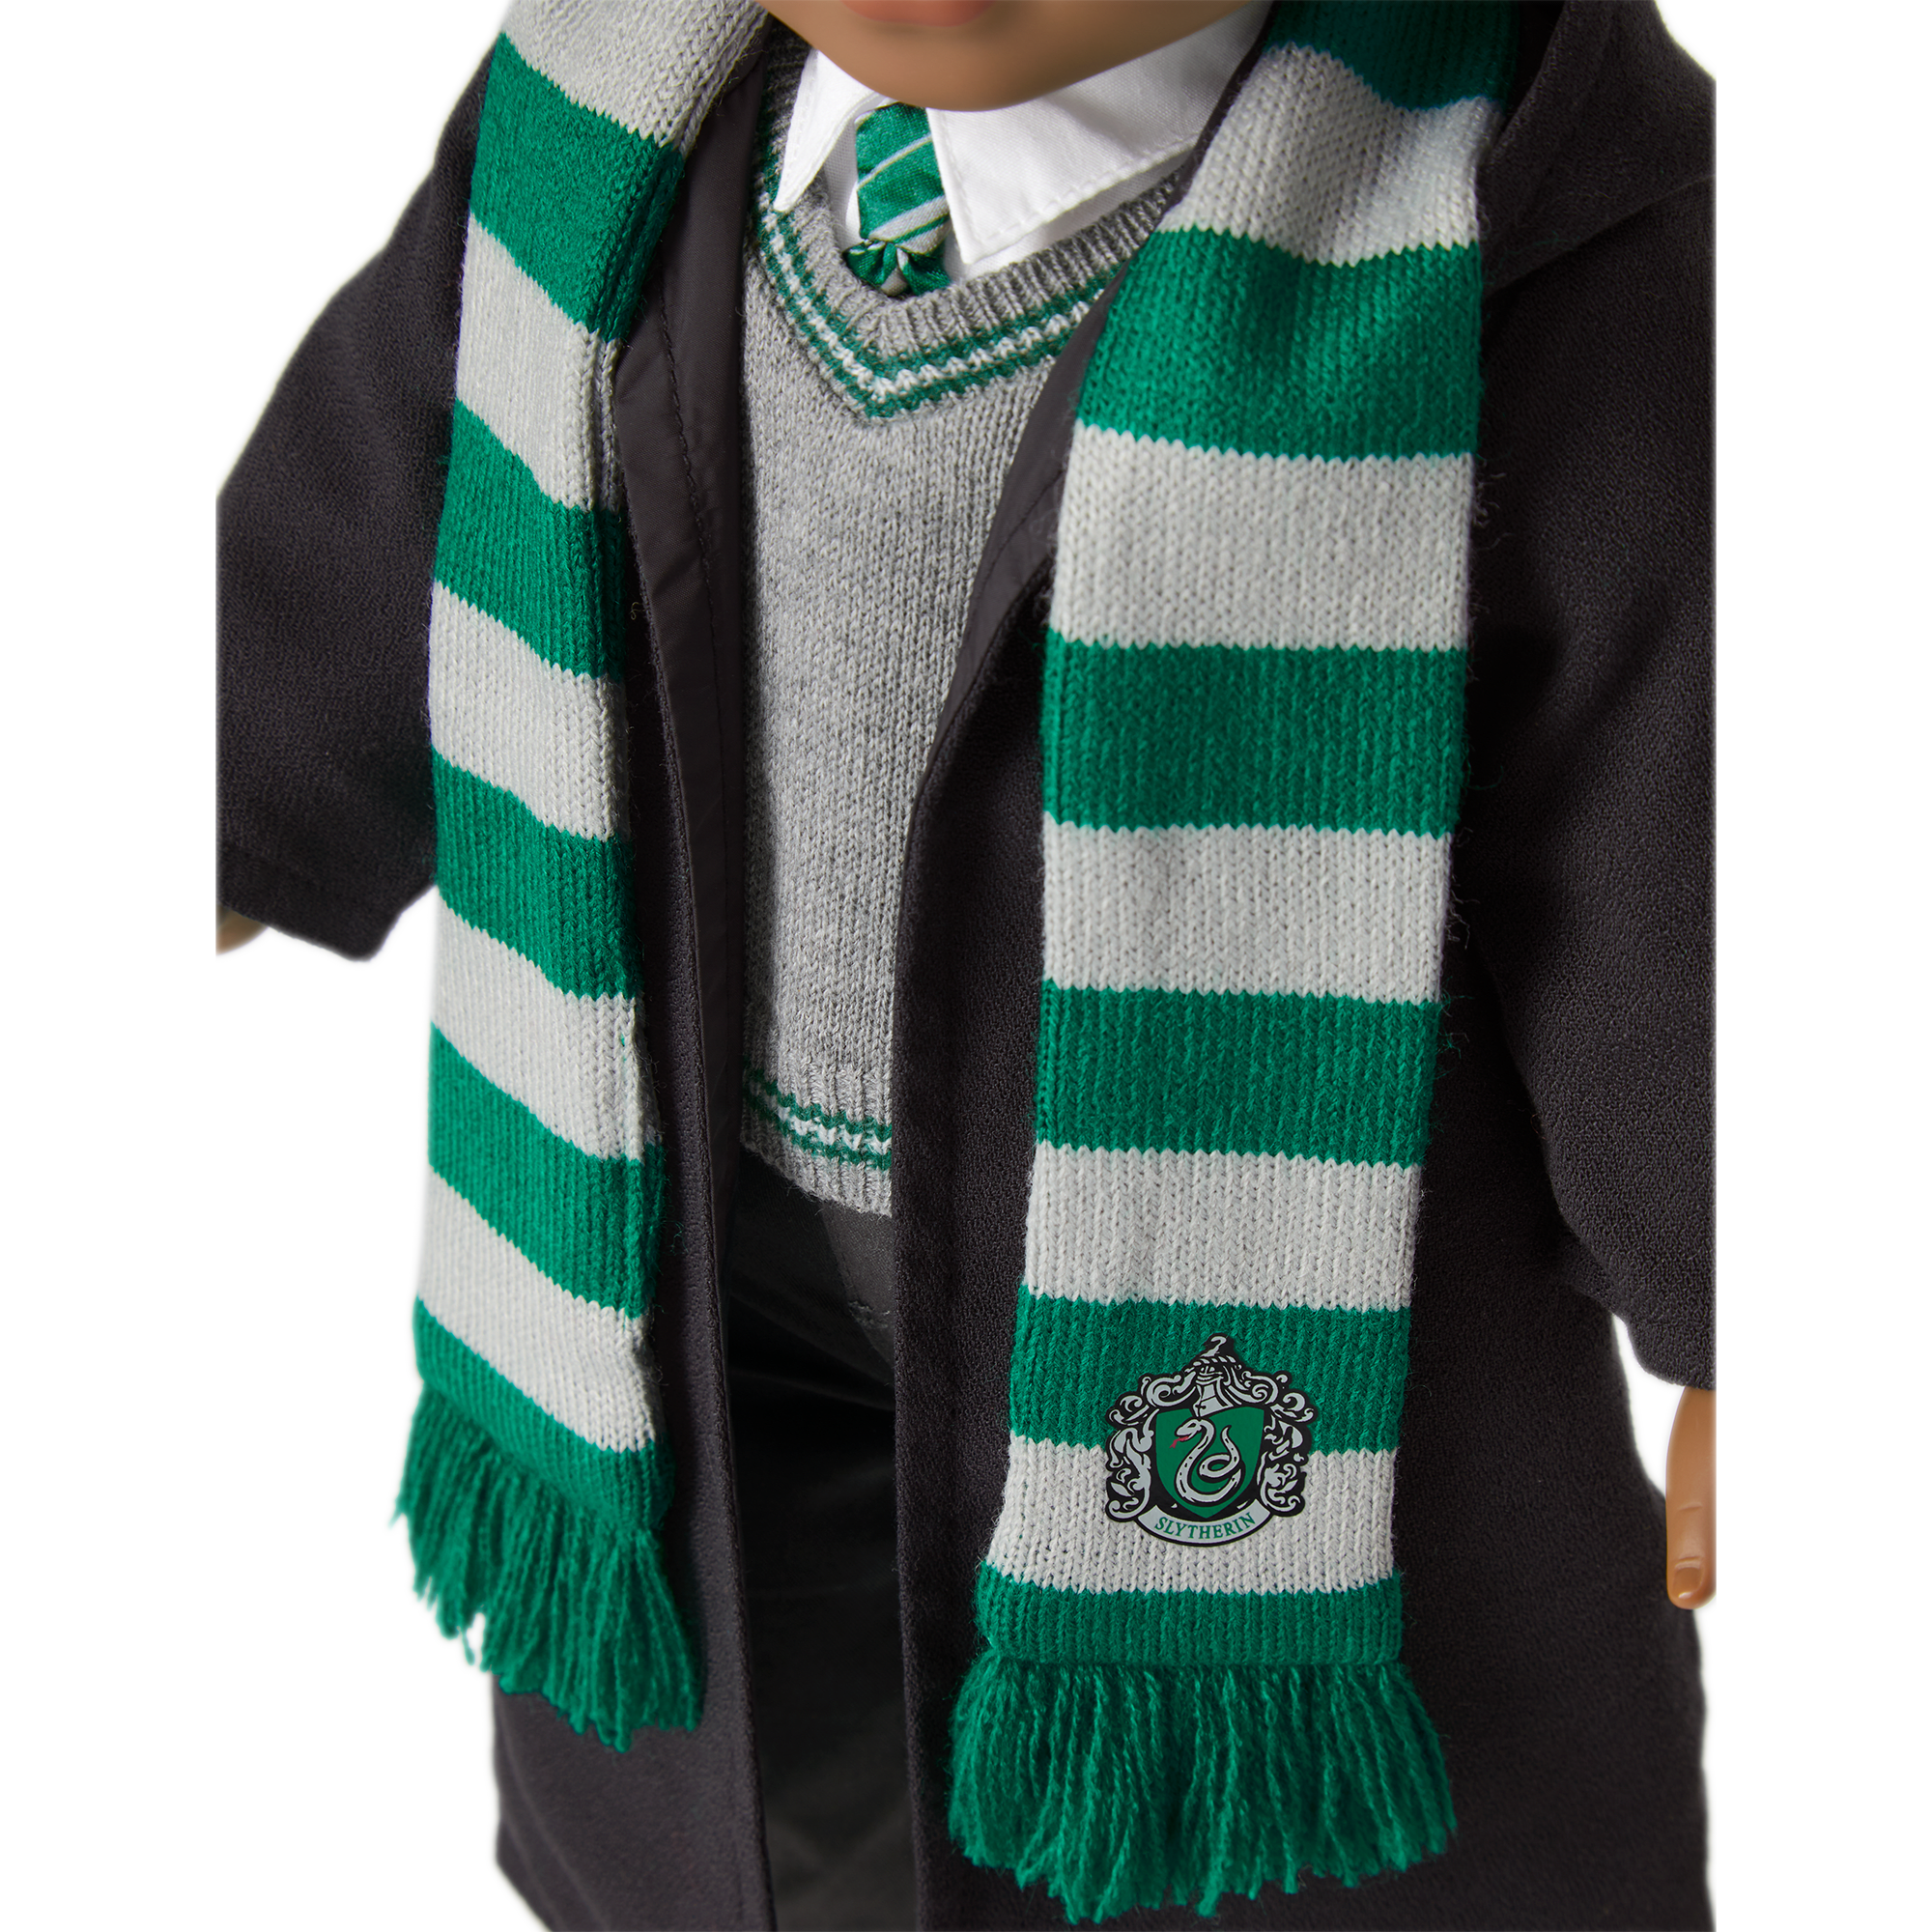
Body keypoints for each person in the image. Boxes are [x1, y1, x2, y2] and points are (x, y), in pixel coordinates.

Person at [216, 0, 1715, 1925]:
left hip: (1296, 1311)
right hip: (686, 1247)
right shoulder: (593, 147)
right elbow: (371, 522)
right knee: (773, 1776)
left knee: (1263, 1840)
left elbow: (1680, 819)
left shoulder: (1529, 246)